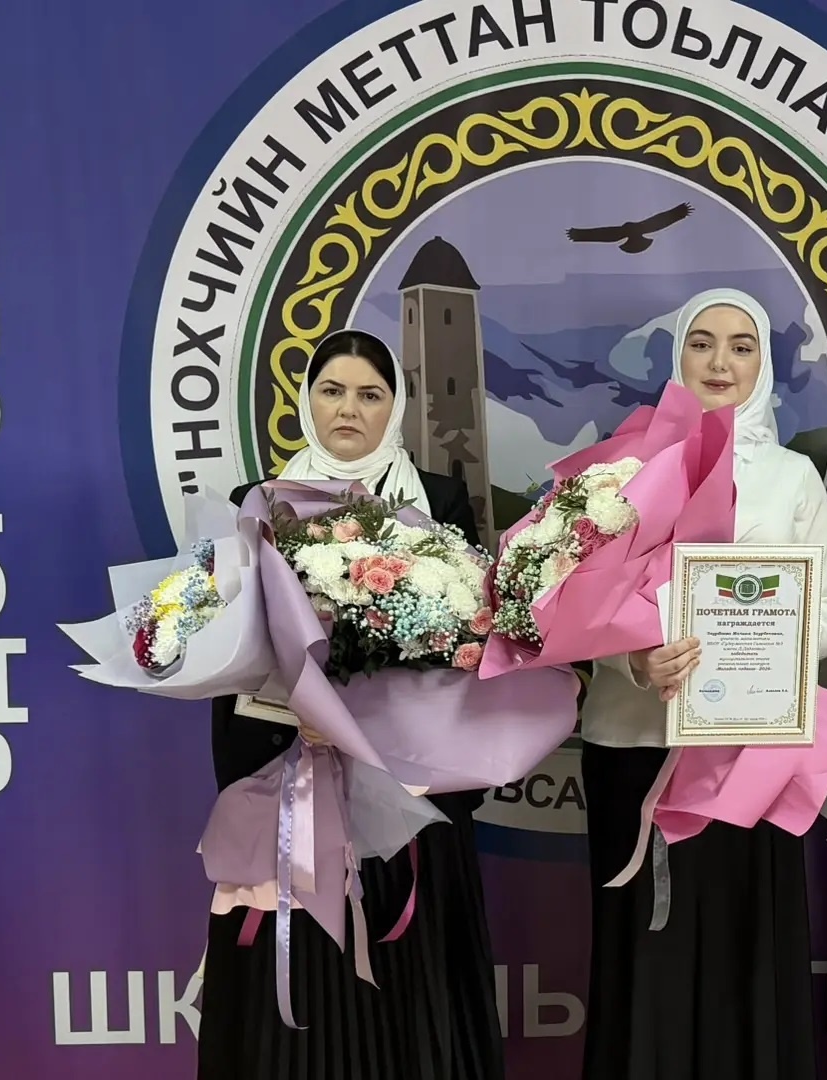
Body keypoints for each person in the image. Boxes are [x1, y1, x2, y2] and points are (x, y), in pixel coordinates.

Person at [198, 329, 502, 1080]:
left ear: (394, 407)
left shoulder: (439, 499)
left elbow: (473, 642)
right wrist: (293, 720)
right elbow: (237, 649)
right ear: (307, 402)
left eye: (370, 395)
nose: (349, 410)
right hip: (292, 780)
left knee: (406, 988)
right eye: (332, 391)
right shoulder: (259, 502)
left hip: (405, 787)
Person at [580, 288, 827, 1080]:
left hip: (747, 753)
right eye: (702, 343)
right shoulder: (622, 472)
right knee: (642, 944)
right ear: (677, 358)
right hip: (634, 741)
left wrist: (772, 652)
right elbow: (575, 601)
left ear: (764, 363)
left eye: (741, 345)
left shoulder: (794, 478)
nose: (720, 362)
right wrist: (632, 660)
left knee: (744, 946)